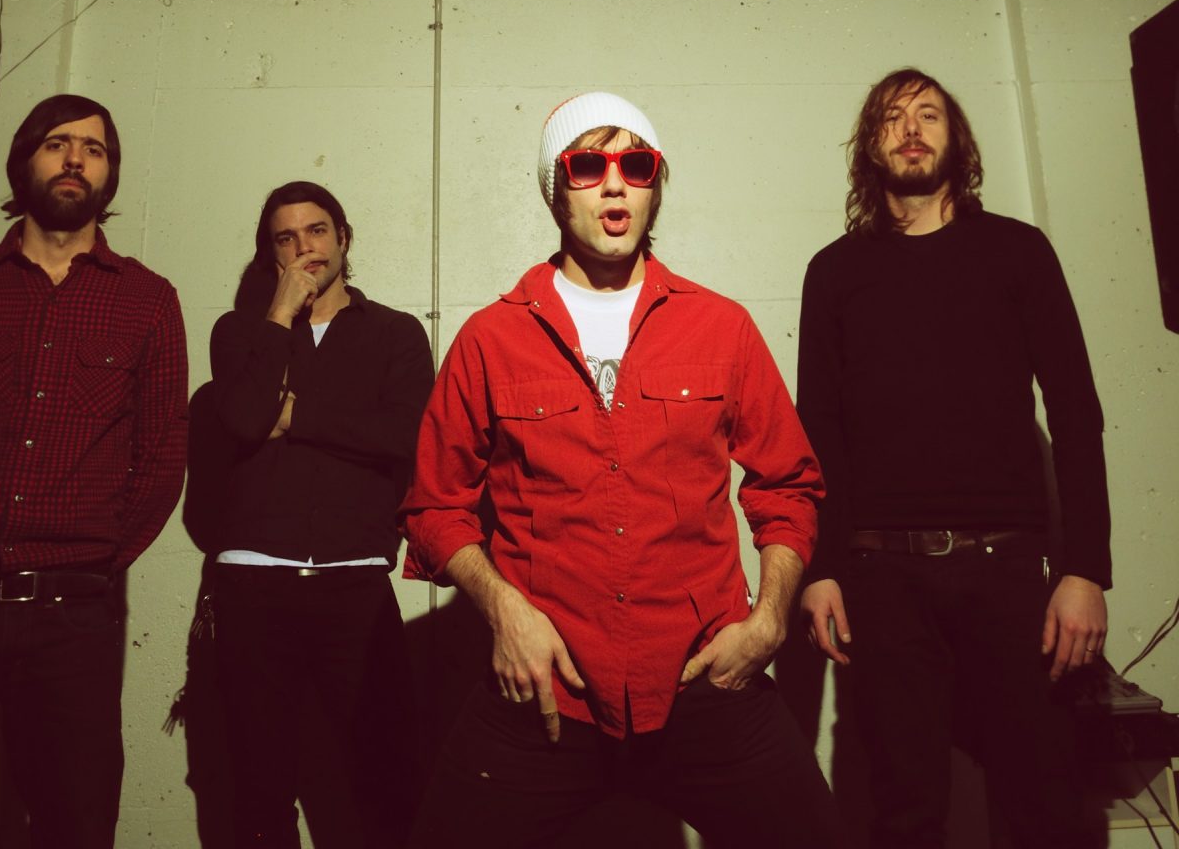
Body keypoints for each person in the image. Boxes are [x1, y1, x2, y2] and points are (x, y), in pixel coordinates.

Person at [401, 91, 843, 848]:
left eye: (635, 165)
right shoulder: (491, 339)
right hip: (548, 685)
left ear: (653, 187)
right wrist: (506, 614)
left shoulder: (720, 327)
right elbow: (434, 506)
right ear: (557, 190)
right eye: (588, 166)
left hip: (704, 673)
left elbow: (788, 484)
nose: (614, 184)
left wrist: (768, 619)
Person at [797, 67, 1110, 849]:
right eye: (893, 117)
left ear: (957, 140)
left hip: (1009, 573)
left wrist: (1085, 572)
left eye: (929, 114)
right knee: (905, 814)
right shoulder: (834, 272)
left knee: (1044, 806)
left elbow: (1076, 413)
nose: (912, 129)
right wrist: (822, 568)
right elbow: (819, 432)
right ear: (871, 146)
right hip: (883, 580)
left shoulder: (1018, 251)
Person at [0, 92, 188, 849]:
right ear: (23, 162)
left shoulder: (147, 300)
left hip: (75, 615)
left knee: (75, 821)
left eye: (93, 149)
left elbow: (161, 457)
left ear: (110, 174)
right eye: (57, 142)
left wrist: (92, 562)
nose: (75, 159)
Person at [209, 180, 434, 849]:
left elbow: (407, 437)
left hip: (355, 581)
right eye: (285, 238)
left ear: (343, 238)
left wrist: (296, 416)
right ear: (269, 253)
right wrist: (280, 315)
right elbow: (245, 417)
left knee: (387, 782)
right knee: (258, 789)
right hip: (252, 583)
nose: (304, 247)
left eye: (316, 230)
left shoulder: (394, 333)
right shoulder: (239, 333)